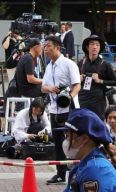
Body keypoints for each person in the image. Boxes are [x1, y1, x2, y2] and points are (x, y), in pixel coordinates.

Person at [41, 36, 81, 184]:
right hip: (53, 109)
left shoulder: (69, 64)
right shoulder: (49, 66)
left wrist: (69, 97)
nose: (45, 49)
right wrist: (50, 88)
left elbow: (77, 85)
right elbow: (43, 87)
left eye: (48, 46)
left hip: (69, 109)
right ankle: (60, 173)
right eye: (44, 46)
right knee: (58, 142)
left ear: (57, 47)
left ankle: (77, 173)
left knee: (73, 141)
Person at [78, 35, 116, 120]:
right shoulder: (81, 63)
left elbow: (115, 82)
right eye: (92, 44)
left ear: (100, 48)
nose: (95, 47)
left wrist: (100, 81)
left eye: (97, 45)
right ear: (87, 47)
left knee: (97, 127)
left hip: (98, 103)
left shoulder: (105, 64)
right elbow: (72, 81)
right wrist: (78, 78)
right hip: (82, 100)